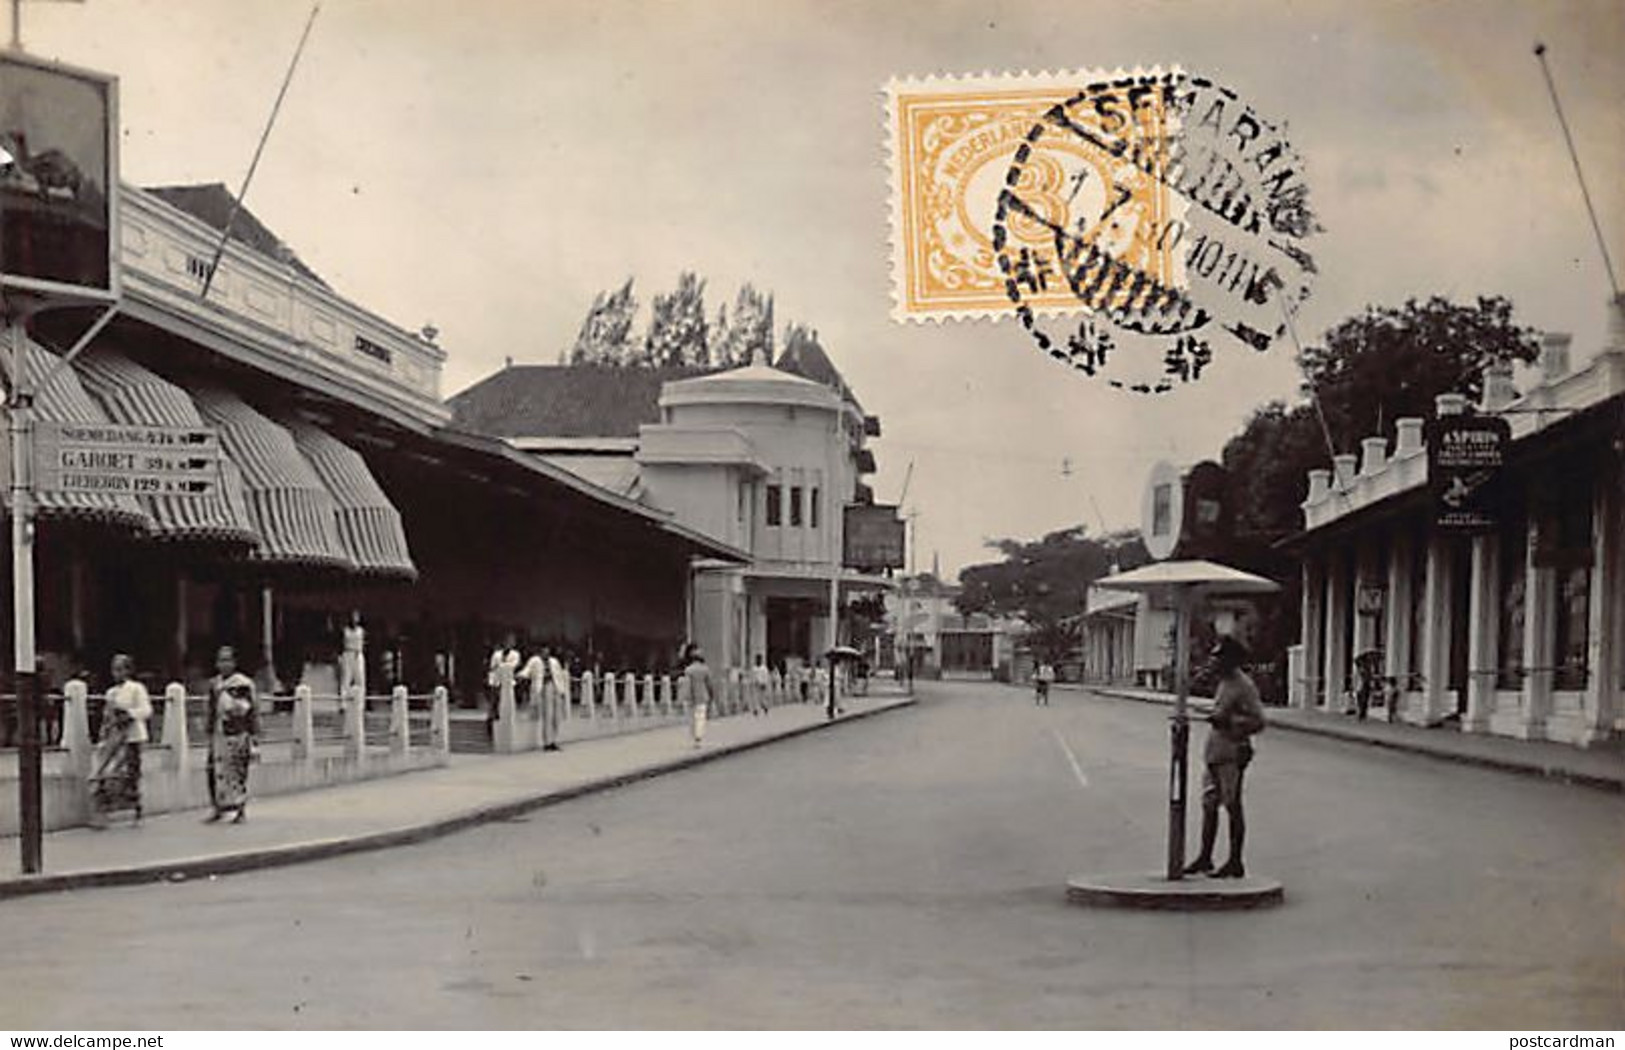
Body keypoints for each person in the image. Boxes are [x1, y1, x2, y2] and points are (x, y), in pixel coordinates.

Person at [1184, 636, 1266, 878]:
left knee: (1232, 805)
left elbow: (1259, 720)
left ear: (1232, 661)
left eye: (1220, 658)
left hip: (1232, 750)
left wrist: (1229, 721)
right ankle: (1205, 856)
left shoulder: (1244, 686)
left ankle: (1235, 860)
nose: (1215, 662)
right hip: (1216, 750)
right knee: (1209, 804)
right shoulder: (1224, 683)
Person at [88, 654, 152, 829]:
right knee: (105, 774)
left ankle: (135, 812)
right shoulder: (111, 692)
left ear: (128, 670)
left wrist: (130, 714)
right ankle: (104, 814)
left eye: (121, 669)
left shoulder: (136, 688)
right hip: (113, 738)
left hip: (132, 738)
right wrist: (104, 734)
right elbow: (107, 716)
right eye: (114, 669)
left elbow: (146, 710)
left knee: (130, 776)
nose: (117, 673)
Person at [205, 646, 259, 825]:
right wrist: (209, 728)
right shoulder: (215, 684)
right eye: (221, 660)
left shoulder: (242, 683)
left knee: (237, 772)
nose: (224, 664)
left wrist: (253, 733)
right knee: (214, 770)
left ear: (235, 663)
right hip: (218, 733)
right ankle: (218, 807)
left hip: (237, 733)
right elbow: (211, 709)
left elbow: (248, 709)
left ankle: (240, 809)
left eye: (227, 660)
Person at [683, 645, 714, 748]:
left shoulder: (688, 670)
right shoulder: (705, 670)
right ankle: (698, 737)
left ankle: (694, 736)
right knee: (700, 717)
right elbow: (709, 684)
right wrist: (711, 694)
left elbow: (687, 685)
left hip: (691, 697)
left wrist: (685, 696)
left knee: (692, 719)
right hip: (702, 696)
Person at [339, 610, 366, 707]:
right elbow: (339, 643)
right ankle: (343, 703)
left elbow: (365, 642)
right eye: (353, 618)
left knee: (360, 679)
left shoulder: (361, 631)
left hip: (358, 653)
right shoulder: (345, 630)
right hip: (348, 653)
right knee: (346, 678)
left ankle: (361, 703)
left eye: (356, 618)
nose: (355, 620)